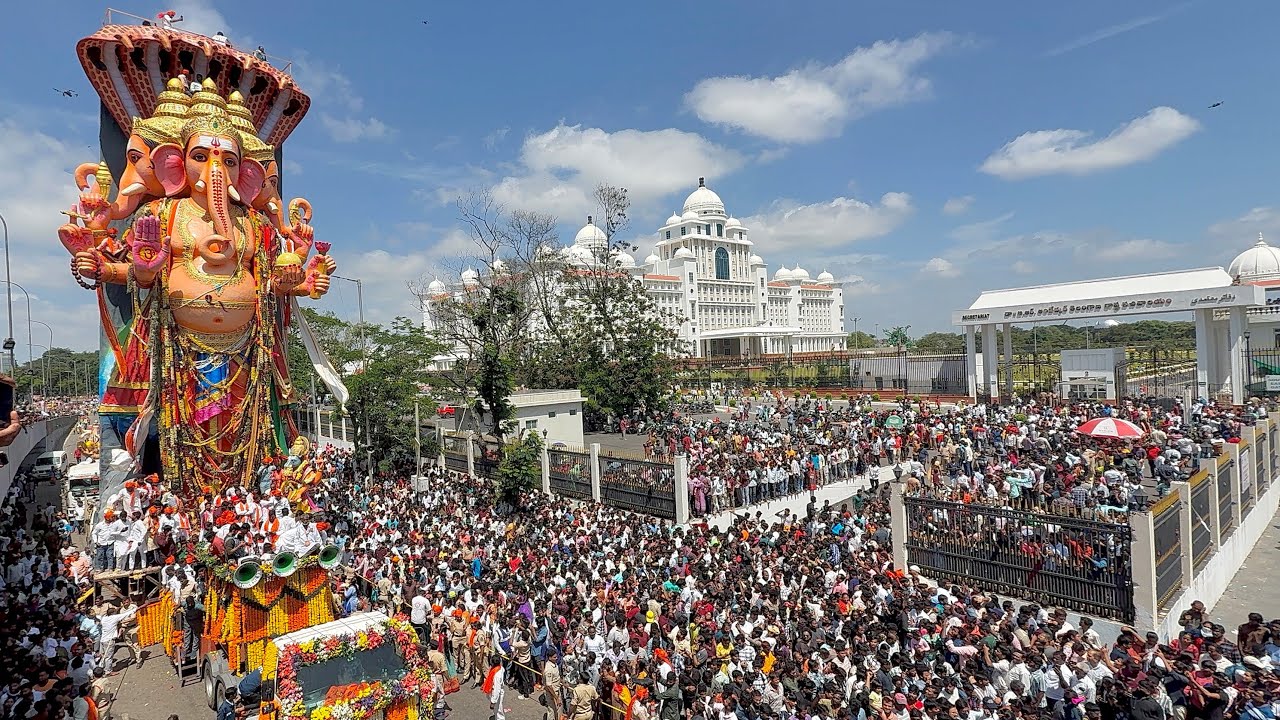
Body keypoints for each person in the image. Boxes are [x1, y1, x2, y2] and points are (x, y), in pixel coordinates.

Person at [483, 654, 506, 720]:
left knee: (498, 709)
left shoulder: (497, 675)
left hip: (496, 694)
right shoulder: (499, 668)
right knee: (497, 709)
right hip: (494, 692)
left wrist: (493, 701)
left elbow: (497, 689)